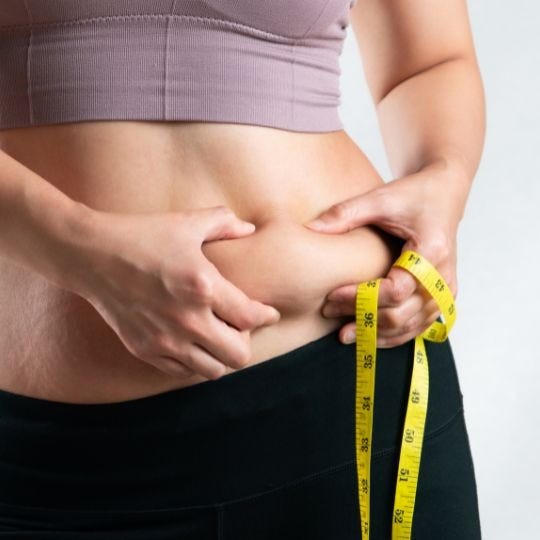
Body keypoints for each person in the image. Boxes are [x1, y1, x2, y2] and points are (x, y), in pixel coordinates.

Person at [0, 1, 484, 538]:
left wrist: (444, 178)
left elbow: (429, 62)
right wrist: (76, 247)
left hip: (347, 400)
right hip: (42, 467)